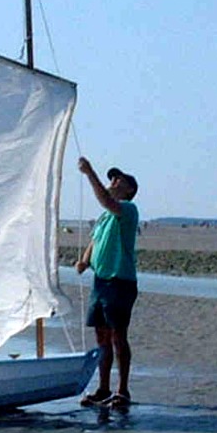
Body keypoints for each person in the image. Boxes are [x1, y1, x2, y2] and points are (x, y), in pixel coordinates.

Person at [75, 158, 139, 408]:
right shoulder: (104, 216)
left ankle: (122, 390)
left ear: (128, 190)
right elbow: (94, 240)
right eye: (111, 178)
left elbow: (107, 201)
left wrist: (90, 173)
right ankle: (103, 388)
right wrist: (84, 260)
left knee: (118, 336)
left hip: (119, 282)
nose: (113, 182)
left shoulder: (127, 209)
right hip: (100, 282)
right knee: (101, 337)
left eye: (117, 180)